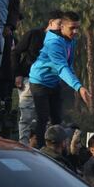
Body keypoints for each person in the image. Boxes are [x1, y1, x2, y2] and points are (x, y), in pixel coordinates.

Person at [29, 11, 92, 148]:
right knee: (43, 117)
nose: (75, 31)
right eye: (71, 28)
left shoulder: (71, 40)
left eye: (77, 28)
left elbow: (69, 65)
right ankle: (41, 149)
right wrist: (79, 87)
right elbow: (62, 67)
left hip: (54, 82)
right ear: (61, 27)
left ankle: (58, 148)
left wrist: (78, 85)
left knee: (57, 118)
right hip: (39, 81)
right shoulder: (53, 43)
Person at [11, 10, 63, 145]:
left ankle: (47, 146)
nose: (61, 28)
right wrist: (17, 74)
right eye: (59, 24)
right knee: (27, 115)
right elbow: (16, 52)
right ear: (51, 23)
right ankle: (23, 144)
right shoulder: (34, 34)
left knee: (48, 117)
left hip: (49, 83)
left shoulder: (60, 41)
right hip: (28, 79)